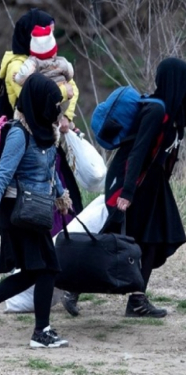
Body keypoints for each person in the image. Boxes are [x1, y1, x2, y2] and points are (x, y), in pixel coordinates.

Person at [62, 57, 186, 318]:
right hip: (130, 182)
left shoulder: (173, 113)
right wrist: (126, 193)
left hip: (152, 184)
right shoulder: (157, 111)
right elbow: (136, 153)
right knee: (109, 239)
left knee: (154, 238)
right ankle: (72, 288)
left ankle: (137, 300)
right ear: (177, 83)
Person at [0, 73, 72, 348]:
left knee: (35, 272)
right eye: (53, 104)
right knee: (47, 268)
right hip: (17, 212)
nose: (56, 110)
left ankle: (42, 330)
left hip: (36, 210)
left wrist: (61, 198)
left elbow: (50, 171)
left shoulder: (47, 133)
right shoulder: (19, 134)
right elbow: (3, 174)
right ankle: (41, 331)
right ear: (39, 103)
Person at [14, 25, 74, 116]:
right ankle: (57, 123)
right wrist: (65, 79)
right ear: (54, 51)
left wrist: (16, 78)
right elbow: (70, 73)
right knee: (56, 117)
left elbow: (23, 75)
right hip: (63, 100)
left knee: (19, 113)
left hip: (43, 100)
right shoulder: (61, 62)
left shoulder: (32, 63)